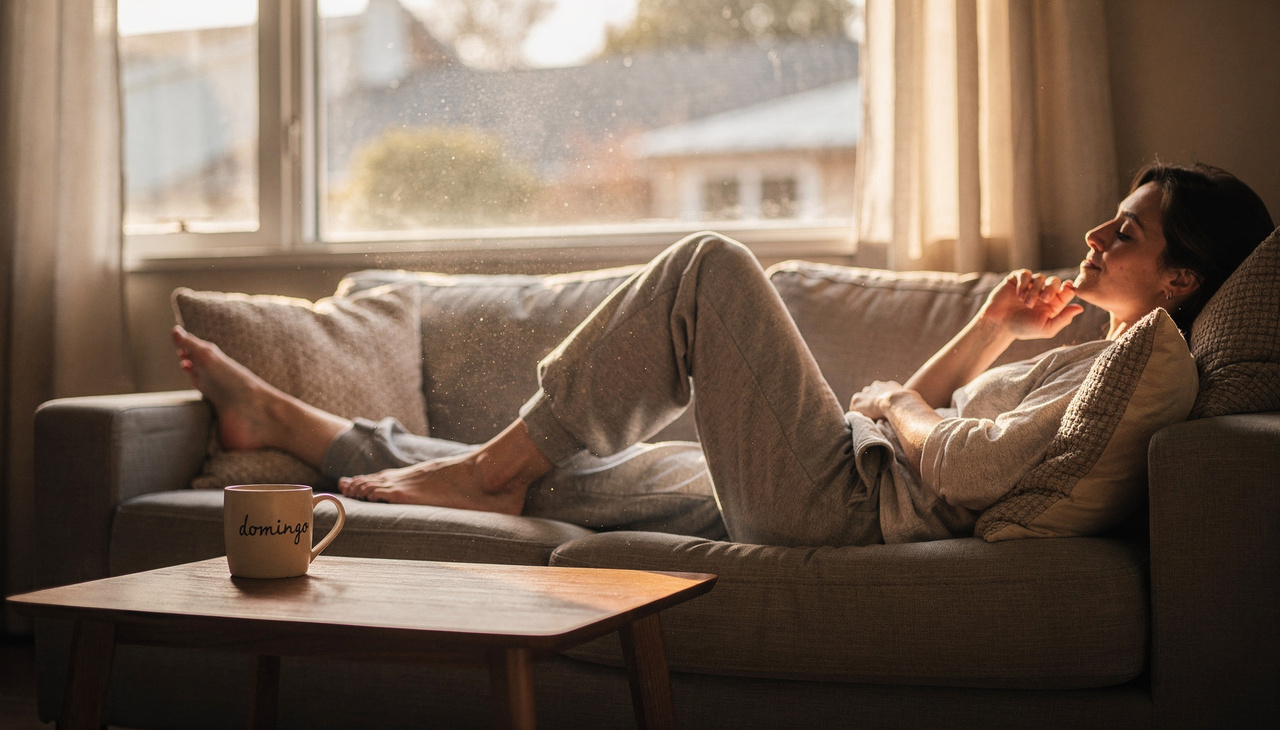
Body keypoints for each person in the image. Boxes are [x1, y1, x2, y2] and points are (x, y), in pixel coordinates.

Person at [173, 162, 1274, 547]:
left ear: (1181, 279)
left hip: (833, 500)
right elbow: (927, 420)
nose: (1095, 237)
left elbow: (964, 465)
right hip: (834, 470)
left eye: (1123, 232)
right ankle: (297, 427)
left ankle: (486, 467)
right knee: (547, 474)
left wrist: (894, 405)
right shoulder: (1090, 350)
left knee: (706, 263)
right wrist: (990, 329)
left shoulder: (1143, 367)